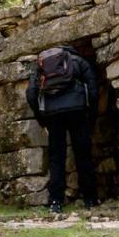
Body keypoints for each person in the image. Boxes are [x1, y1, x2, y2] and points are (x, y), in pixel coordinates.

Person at [26, 45, 99, 213]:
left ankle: (56, 202)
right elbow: (93, 91)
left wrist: (41, 119)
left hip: (53, 115)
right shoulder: (79, 61)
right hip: (78, 111)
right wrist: (91, 117)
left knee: (56, 158)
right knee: (83, 154)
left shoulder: (42, 64)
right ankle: (90, 199)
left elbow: (31, 93)